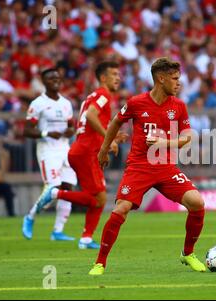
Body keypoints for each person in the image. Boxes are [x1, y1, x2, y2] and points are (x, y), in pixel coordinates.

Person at [88, 57, 207, 275]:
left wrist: (165, 143)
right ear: (160, 79)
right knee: (120, 209)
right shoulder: (136, 103)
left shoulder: (179, 106)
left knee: (197, 202)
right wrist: (104, 150)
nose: (178, 83)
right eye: (174, 79)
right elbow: (115, 122)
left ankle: (188, 253)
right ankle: (100, 263)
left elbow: (188, 135)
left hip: (165, 167)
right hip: (139, 167)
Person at [34, 61, 125, 249]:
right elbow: (91, 116)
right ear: (103, 78)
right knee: (98, 198)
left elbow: (88, 123)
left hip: (82, 149)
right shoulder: (103, 95)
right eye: (114, 74)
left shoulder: (92, 96)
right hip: (85, 153)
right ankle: (56, 193)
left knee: (98, 198)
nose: (118, 78)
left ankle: (86, 238)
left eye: (119, 74)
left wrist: (112, 137)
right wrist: (109, 138)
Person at [21, 68, 77, 241]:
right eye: (51, 78)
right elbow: (27, 130)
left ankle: (57, 231)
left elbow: (71, 126)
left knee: (68, 188)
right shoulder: (37, 103)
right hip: (47, 150)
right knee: (53, 187)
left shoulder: (66, 103)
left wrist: (69, 131)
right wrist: (46, 133)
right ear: (44, 82)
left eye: (57, 77)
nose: (55, 80)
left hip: (64, 148)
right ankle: (30, 216)